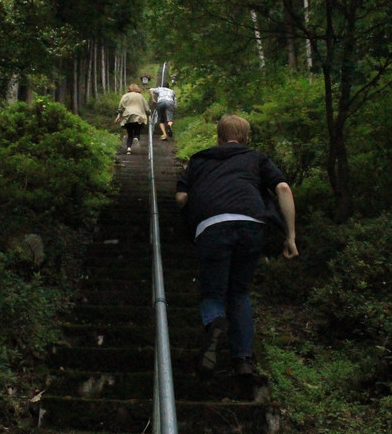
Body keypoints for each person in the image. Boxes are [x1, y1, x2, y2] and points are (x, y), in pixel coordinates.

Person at [175, 114, 298, 377]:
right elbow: (284, 189)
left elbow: (182, 197)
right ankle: (242, 360)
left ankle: (215, 322)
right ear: (246, 138)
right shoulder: (256, 158)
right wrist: (290, 236)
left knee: (213, 293)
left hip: (212, 227)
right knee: (240, 291)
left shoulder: (200, 159)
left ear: (218, 138)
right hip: (251, 225)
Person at [114, 84, 150, 155]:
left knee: (130, 133)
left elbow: (121, 107)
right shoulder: (140, 96)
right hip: (139, 115)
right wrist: (149, 113)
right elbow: (146, 107)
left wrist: (118, 116)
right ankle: (136, 137)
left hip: (128, 116)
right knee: (138, 127)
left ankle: (129, 149)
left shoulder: (125, 96)